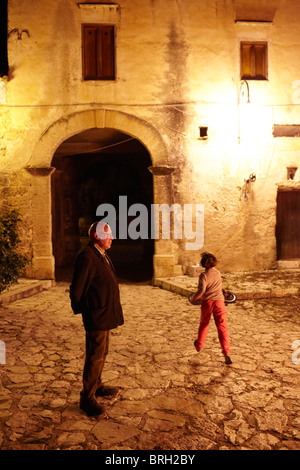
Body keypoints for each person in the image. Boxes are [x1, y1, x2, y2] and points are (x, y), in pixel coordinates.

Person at [70, 221, 124, 416]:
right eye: (108, 235)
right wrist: (89, 311)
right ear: (96, 236)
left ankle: (97, 385)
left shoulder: (100, 254)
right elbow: (76, 291)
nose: (112, 238)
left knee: (103, 352)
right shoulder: (87, 256)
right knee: (95, 355)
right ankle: (87, 397)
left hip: (104, 315)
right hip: (97, 316)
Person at [190, 252, 232, 365]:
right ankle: (226, 352)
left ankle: (199, 346)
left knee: (204, 324)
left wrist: (193, 298)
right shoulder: (218, 273)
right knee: (222, 327)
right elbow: (218, 286)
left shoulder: (203, 275)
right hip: (219, 302)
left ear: (203, 263)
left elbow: (201, 290)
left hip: (207, 302)